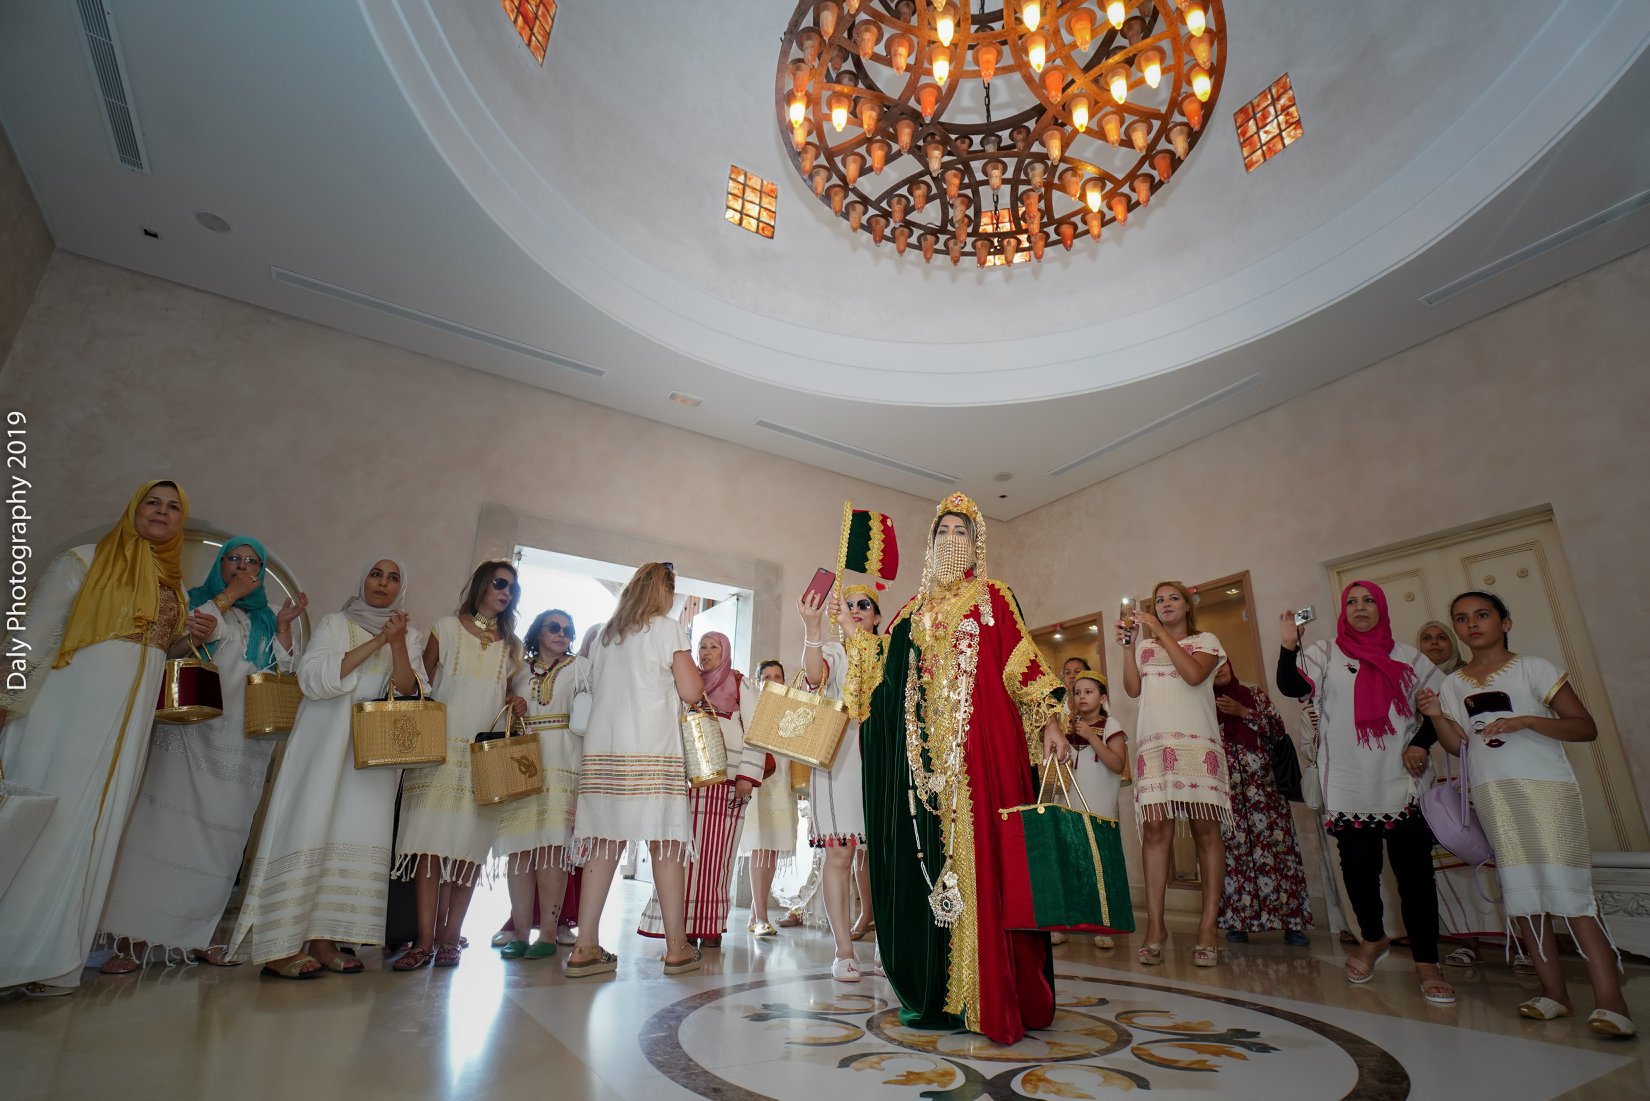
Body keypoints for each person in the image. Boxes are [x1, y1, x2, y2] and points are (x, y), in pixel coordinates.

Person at [848, 493, 1068, 1045]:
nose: (951, 540)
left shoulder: (994, 598)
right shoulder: (909, 613)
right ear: (930, 543)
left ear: (976, 543)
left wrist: (1049, 721)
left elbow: (1022, 664)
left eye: (961, 532)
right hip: (927, 774)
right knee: (934, 870)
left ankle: (995, 992)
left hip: (984, 758)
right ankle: (943, 994)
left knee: (990, 864)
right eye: (942, 531)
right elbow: (880, 686)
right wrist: (854, 642)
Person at [0, 481, 204, 995]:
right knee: (48, 820)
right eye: (152, 502)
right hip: (65, 717)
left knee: (95, 827)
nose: (162, 512)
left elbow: (155, 651)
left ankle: (55, 961)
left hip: (125, 730)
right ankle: (13, 954)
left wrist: (189, 640)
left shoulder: (172, 585)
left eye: (173, 507)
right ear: (134, 508)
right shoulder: (84, 560)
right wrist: (5, 701)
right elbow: (31, 636)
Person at [1418, 591, 1633, 1038]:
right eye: (1462, 618)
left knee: (1571, 893)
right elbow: (1460, 746)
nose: (1472, 624)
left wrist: (1529, 721)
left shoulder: (1535, 668)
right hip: (1494, 797)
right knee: (1522, 894)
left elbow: (1584, 727)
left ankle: (1611, 1002)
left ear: (1506, 622)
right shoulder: (1454, 684)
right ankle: (1554, 994)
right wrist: (1437, 716)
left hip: (1547, 792)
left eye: (1482, 615)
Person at [99, 537, 308, 972]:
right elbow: (170, 650)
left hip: (241, 748)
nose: (243, 566)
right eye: (234, 558)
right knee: (162, 833)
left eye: (252, 561)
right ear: (220, 562)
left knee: (221, 844)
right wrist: (227, 597)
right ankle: (132, 941)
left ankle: (199, 935)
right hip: (188, 734)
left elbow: (285, 672)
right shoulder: (194, 601)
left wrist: (285, 627)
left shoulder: (267, 616)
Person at [228, 559, 425, 977]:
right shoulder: (335, 623)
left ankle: (324, 939)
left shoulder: (411, 636)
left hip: (372, 760)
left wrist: (396, 645)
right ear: (362, 579)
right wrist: (377, 641)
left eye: (394, 578)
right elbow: (313, 678)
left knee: (351, 834)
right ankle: (280, 946)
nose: (383, 583)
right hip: (322, 746)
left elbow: (411, 692)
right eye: (376, 574)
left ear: (401, 589)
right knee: (307, 827)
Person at [1277, 580, 1453, 1006]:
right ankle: (1372, 939)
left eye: (1368, 600)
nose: (1360, 607)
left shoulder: (1408, 657)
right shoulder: (1324, 652)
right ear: (1343, 609)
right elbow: (1290, 686)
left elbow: (1441, 706)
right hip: (1348, 781)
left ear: (1381, 607)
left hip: (1401, 780)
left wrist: (1419, 743)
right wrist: (1287, 644)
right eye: (1352, 601)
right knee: (1358, 869)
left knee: (1415, 875)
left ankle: (1427, 962)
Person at [566, 563, 705, 977]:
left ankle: (584, 946)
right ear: (664, 593)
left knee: (604, 843)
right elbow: (692, 691)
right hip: (652, 752)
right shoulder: (666, 629)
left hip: (605, 753)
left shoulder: (606, 636)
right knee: (665, 845)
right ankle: (677, 948)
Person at [393, 561, 526, 971]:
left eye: (512, 588)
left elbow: (507, 694)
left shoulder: (512, 646)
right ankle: (423, 941)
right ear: (482, 584)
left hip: (483, 757)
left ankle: (451, 937)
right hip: (438, 752)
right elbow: (421, 685)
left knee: (469, 850)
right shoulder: (445, 629)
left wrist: (516, 701)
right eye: (499, 583)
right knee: (429, 848)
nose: (506, 592)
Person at [1119, 581, 1228, 969]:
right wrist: (1130, 648)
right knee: (1154, 831)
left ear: (1187, 605)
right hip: (1154, 746)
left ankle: (1207, 929)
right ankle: (1155, 928)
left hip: (1198, 745)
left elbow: (1194, 676)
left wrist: (1159, 632)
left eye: (1172, 598)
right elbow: (1133, 690)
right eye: (1158, 600)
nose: (1165, 604)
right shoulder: (1146, 648)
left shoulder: (1206, 641)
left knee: (1206, 832)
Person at [638, 630, 763, 945]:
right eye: (702, 647)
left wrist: (747, 776)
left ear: (725, 652)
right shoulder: (687, 683)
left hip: (728, 783)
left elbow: (757, 732)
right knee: (685, 854)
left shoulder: (740, 683)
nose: (706, 652)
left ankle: (709, 926)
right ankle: (681, 926)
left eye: (713, 647)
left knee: (718, 856)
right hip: (690, 782)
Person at [1416, 620, 1516, 969]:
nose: (1434, 643)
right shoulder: (1410, 685)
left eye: (1441, 637)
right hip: (1437, 780)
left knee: (1501, 857)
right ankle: (1466, 942)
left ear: (1453, 643)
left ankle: (1523, 943)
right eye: (1426, 638)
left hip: (1482, 774)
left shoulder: (1466, 678)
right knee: (1451, 861)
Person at [490, 609, 586, 960]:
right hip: (520, 762)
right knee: (519, 850)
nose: (563, 633)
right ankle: (519, 934)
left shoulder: (581, 668)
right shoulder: (517, 668)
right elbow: (493, 701)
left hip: (563, 762)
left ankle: (547, 935)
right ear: (537, 632)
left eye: (568, 629)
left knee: (552, 850)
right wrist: (509, 701)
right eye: (555, 627)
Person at [799, 585, 880, 980]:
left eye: (864, 605)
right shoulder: (834, 651)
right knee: (840, 854)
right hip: (839, 757)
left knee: (883, 856)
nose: (856, 609)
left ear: (877, 617)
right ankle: (843, 950)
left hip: (881, 758)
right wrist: (813, 629)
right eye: (848, 605)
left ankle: (887, 948)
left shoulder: (888, 651)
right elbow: (814, 677)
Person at [1211, 660, 1312, 947]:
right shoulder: (1203, 704)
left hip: (1266, 793)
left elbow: (1277, 730)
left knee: (1279, 854)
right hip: (1228, 796)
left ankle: (1292, 924)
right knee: (1234, 857)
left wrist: (1243, 712)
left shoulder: (1253, 694)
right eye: (1213, 666)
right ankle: (1238, 923)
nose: (1220, 669)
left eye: (1223, 663)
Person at [1066, 671, 1127, 950]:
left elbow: (1117, 764)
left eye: (1088, 692)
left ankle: (1105, 926)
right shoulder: (1069, 726)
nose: (1082, 697)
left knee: (1102, 864)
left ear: (1102, 698)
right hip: (1072, 806)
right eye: (1077, 692)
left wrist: (1091, 737)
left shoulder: (1110, 724)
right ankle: (1072, 922)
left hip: (1100, 808)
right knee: (1074, 863)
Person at [741, 658, 798, 937]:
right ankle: (761, 917)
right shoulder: (752, 708)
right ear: (758, 681)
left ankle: (756, 913)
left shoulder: (791, 709)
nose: (774, 681)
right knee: (760, 846)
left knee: (773, 848)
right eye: (767, 677)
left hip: (782, 782)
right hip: (760, 781)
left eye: (778, 676)